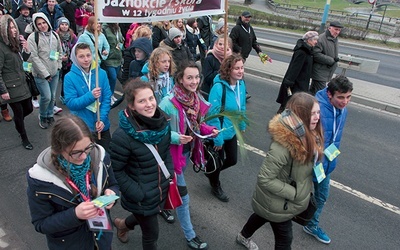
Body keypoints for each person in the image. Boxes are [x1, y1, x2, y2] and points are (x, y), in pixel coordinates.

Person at [236, 92, 324, 250]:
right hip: (278, 201)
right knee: (285, 240)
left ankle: (243, 236)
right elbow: (265, 178)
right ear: (300, 114)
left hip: (278, 201)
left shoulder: (309, 134)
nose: (317, 117)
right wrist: (295, 193)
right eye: (312, 113)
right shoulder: (283, 146)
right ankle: (243, 236)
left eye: (318, 112)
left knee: (261, 216)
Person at [26, 115, 119, 250]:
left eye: (88, 148)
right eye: (76, 153)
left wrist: (112, 194)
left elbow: (113, 185)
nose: (84, 156)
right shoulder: (40, 180)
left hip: (101, 239)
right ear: (59, 149)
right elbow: (41, 224)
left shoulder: (100, 157)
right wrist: (75, 215)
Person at [159, 61, 218, 250]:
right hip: (170, 156)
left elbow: (197, 125)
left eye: (197, 77)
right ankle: (190, 235)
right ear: (180, 79)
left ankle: (161, 207)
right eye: (189, 77)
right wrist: (177, 137)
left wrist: (210, 130)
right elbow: (157, 133)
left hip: (185, 154)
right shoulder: (167, 103)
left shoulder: (196, 98)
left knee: (166, 189)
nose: (194, 81)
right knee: (183, 197)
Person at [110, 79, 174, 248]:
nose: (149, 104)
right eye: (142, 101)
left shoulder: (163, 124)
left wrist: (170, 172)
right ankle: (123, 225)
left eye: (151, 98)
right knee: (151, 234)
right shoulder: (122, 137)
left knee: (147, 218)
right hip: (141, 196)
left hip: (159, 188)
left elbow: (165, 152)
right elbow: (116, 171)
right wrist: (139, 193)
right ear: (131, 106)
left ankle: (122, 225)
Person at [303, 75, 353, 244]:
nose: (345, 101)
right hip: (306, 162)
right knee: (293, 193)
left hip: (325, 164)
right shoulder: (316, 108)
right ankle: (271, 215)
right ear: (330, 94)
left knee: (322, 195)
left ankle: (311, 224)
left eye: (348, 97)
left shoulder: (343, 110)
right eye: (340, 97)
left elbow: (334, 138)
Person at [205, 53, 247, 202]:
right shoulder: (218, 88)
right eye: (237, 68)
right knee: (218, 160)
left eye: (242, 68)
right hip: (220, 132)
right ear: (228, 70)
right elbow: (213, 115)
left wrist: (242, 124)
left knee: (232, 160)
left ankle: (210, 171)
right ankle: (215, 184)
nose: (241, 71)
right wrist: (218, 139)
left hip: (232, 130)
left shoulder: (241, 84)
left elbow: (241, 106)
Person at [63, 43, 112, 152]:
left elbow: (106, 99)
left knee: (105, 156)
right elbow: (71, 103)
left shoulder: (101, 74)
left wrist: (102, 119)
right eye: (81, 56)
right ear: (75, 58)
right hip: (82, 127)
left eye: (88, 55)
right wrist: (90, 96)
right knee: (86, 157)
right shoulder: (69, 77)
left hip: (102, 125)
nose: (86, 59)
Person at [0, 14, 33, 149]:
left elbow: (22, 62)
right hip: (11, 86)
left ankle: (18, 123)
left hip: (22, 83)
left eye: (14, 26)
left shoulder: (15, 43)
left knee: (29, 109)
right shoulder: (1, 47)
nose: (14, 29)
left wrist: (26, 49)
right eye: (10, 27)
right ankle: (24, 137)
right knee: (18, 113)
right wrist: (3, 91)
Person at [27, 12, 62, 129]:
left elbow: (59, 51)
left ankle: (50, 114)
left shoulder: (55, 35)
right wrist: (45, 74)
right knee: (46, 96)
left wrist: (59, 65)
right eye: (39, 24)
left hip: (54, 72)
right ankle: (42, 115)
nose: (42, 25)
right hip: (41, 75)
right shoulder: (33, 38)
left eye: (44, 22)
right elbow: (34, 58)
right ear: (36, 25)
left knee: (52, 97)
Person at [276, 31, 319, 113]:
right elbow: (294, 68)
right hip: (297, 82)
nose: (316, 42)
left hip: (302, 80)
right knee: (291, 100)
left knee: (293, 101)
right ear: (308, 40)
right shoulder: (302, 52)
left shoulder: (308, 50)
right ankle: (282, 116)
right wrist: (289, 81)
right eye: (314, 40)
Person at [309, 21, 343, 95]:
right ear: (329, 28)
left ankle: (304, 105)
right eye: (336, 29)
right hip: (319, 72)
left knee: (313, 93)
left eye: (339, 30)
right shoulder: (321, 38)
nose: (337, 32)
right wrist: (331, 60)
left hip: (325, 72)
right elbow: (315, 54)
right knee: (321, 96)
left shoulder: (334, 39)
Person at [201, 34, 232, 100]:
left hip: (226, 92)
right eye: (220, 44)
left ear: (228, 45)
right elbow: (207, 77)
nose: (222, 46)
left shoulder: (231, 58)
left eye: (224, 44)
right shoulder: (210, 58)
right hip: (210, 92)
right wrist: (221, 70)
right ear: (216, 44)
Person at [56, 17, 77, 103]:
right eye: (62, 24)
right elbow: (52, 49)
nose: (64, 26)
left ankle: (64, 95)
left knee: (67, 79)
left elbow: (76, 47)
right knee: (56, 80)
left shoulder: (72, 35)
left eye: (66, 24)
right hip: (58, 61)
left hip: (69, 61)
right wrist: (59, 57)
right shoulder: (55, 35)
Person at [102, 22, 124, 104]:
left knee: (114, 78)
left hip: (118, 56)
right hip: (109, 57)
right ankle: (108, 96)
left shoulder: (118, 28)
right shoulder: (105, 28)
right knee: (113, 76)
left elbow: (121, 39)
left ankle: (111, 94)